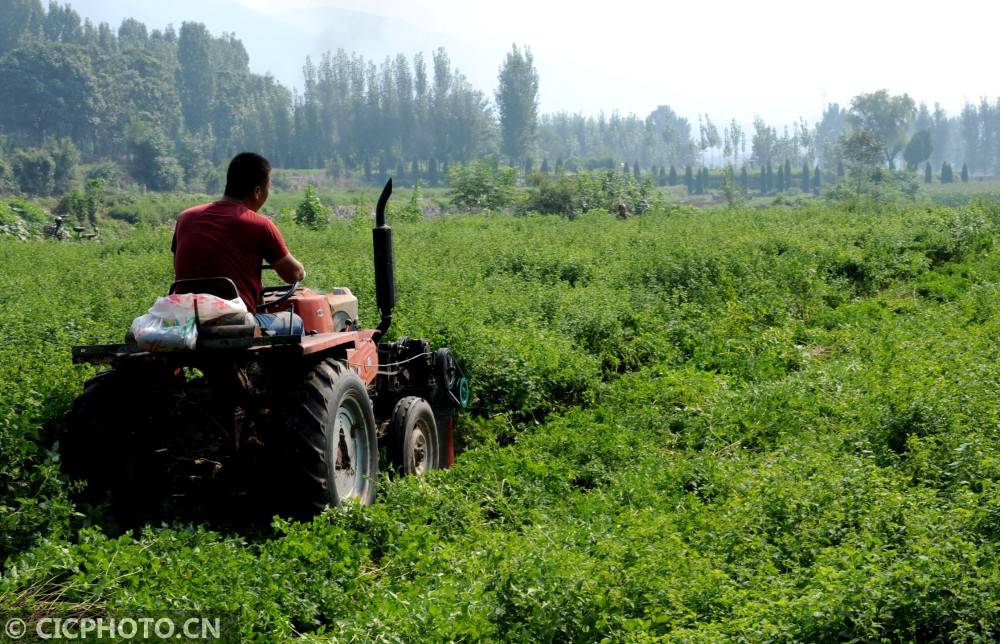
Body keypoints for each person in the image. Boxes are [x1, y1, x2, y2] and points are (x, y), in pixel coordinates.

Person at [172, 152, 306, 335]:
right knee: (294, 321)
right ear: (258, 191)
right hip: (234, 321)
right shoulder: (259, 224)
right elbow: (292, 274)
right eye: (268, 187)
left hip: (185, 316)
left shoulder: (185, 218)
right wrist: (301, 271)